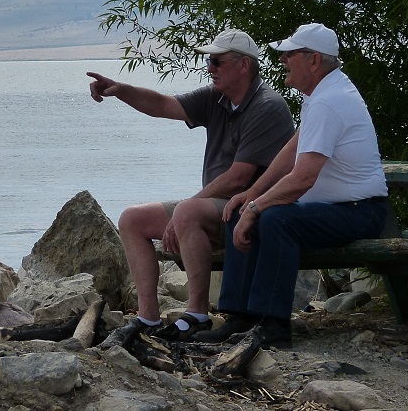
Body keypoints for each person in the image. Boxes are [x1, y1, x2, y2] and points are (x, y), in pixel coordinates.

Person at [87, 29, 295, 349]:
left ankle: (197, 314)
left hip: (251, 213)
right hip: (215, 210)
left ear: (244, 65)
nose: (209, 67)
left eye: (217, 61)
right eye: (208, 61)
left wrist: (183, 211)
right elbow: (163, 105)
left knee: (187, 211)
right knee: (132, 219)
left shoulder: (267, 106)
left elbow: (239, 178)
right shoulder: (217, 97)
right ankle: (148, 317)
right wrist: (121, 90)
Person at [194, 22, 389, 349]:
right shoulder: (321, 94)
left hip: (359, 212)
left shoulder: (329, 101)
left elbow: (303, 178)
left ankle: (274, 326)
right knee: (239, 210)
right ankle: (240, 318)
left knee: (275, 219)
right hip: (333, 208)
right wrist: (251, 195)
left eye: (290, 54)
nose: (282, 59)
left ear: (313, 60)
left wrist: (256, 207)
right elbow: (291, 150)